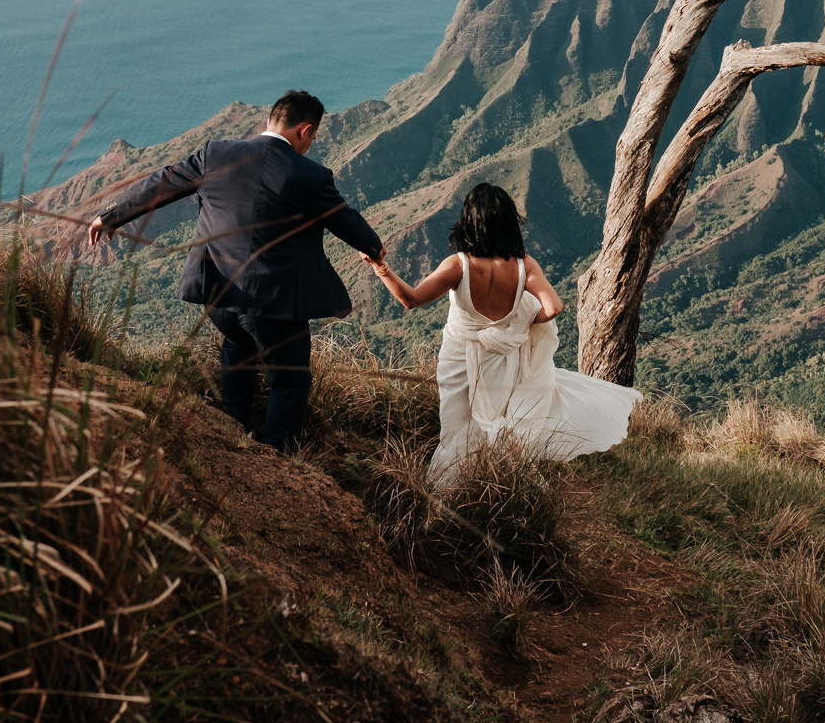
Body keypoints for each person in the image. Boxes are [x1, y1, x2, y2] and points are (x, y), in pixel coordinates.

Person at [87, 89, 383, 453]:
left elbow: (163, 182)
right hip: (273, 304)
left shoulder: (216, 154)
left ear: (273, 119)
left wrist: (110, 216)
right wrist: (374, 247)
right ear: (305, 131)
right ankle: (278, 458)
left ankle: (236, 435)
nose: (310, 144)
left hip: (220, 298)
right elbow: (344, 220)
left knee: (237, 350)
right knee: (289, 383)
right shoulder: (310, 175)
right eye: (313, 138)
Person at [362, 182, 640, 485]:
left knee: (458, 430)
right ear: (509, 223)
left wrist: (381, 268)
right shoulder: (524, 266)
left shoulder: (458, 266)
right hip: (505, 359)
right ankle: (497, 488)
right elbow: (554, 307)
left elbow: (410, 299)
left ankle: (446, 493)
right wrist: (522, 317)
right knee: (499, 424)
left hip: (460, 360)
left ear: (469, 222)